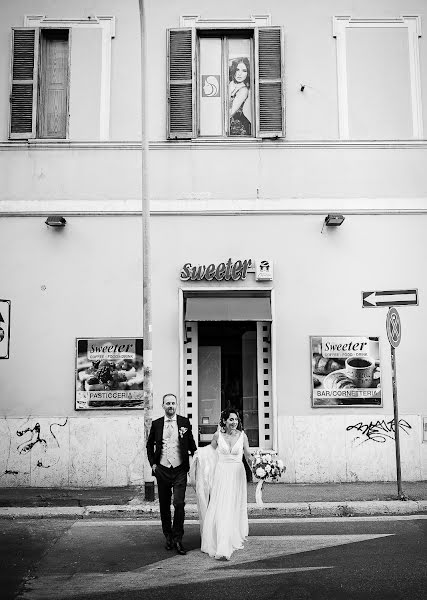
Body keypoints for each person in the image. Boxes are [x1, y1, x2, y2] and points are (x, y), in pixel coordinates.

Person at [199, 408, 253, 560]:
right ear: (224, 421)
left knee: (234, 505)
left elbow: (248, 455)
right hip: (221, 474)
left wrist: (261, 467)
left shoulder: (243, 436)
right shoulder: (217, 436)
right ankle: (222, 543)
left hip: (237, 474)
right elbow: (209, 454)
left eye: (236, 420)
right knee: (221, 505)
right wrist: (198, 457)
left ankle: (232, 535)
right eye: (231, 419)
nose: (234, 422)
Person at [146, 393, 197, 555]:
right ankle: (168, 536)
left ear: (176, 405)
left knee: (179, 503)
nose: (170, 406)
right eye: (167, 403)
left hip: (180, 469)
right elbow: (149, 446)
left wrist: (199, 461)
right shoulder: (156, 424)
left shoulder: (184, 422)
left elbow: (192, 445)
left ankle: (178, 538)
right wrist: (153, 464)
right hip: (162, 470)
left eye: (173, 403)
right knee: (164, 505)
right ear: (163, 406)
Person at [229, 57, 251, 136]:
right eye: (237, 70)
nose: (239, 73)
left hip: (239, 130)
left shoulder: (244, 90)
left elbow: (230, 113)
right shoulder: (230, 84)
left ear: (247, 73)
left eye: (244, 71)